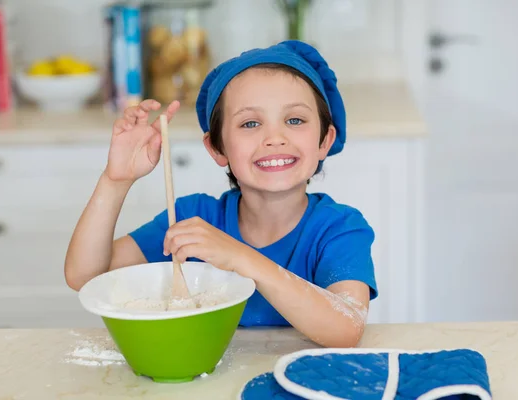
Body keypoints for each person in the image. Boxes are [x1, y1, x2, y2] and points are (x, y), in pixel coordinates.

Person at [64, 40, 377, 348]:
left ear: (325, 140)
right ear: (217, 147)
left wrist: (240, 257)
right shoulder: (193, 220)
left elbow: (346, 329)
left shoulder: (340, 229)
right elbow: (85, 275)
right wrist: (116, 179)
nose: (274, 138)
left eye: (294, 120)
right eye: (250, 123)